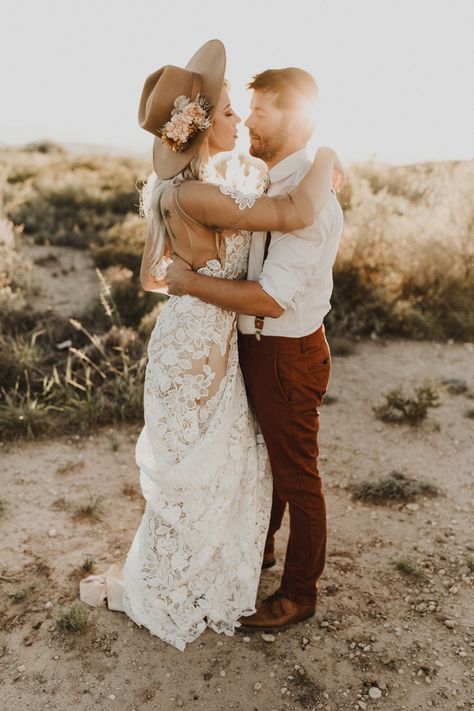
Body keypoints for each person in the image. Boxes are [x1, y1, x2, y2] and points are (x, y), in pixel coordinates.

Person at [79, 39, 342, 651]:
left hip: (219, 340)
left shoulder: (185, 189)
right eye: (230, 112)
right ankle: (188, 578)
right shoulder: (200, 193)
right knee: (207, 467)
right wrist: (329, 153)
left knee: (230, 465)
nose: (241, 120)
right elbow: (290, 212)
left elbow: (154, 277)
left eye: (249, 111)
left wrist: (188, 282)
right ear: (199, 124)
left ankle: (260, 575)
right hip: (205, 346)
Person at [166, 66, 345, 632]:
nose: (247, 122)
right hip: (258, 353)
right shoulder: (275, 183)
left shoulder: (307, 204)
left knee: (296, 474)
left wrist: (190, 283)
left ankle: (298, 594)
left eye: (261, 110)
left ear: (294, 120)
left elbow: (269, 299)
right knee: (261, 461)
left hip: (286, 354)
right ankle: (260, 548)